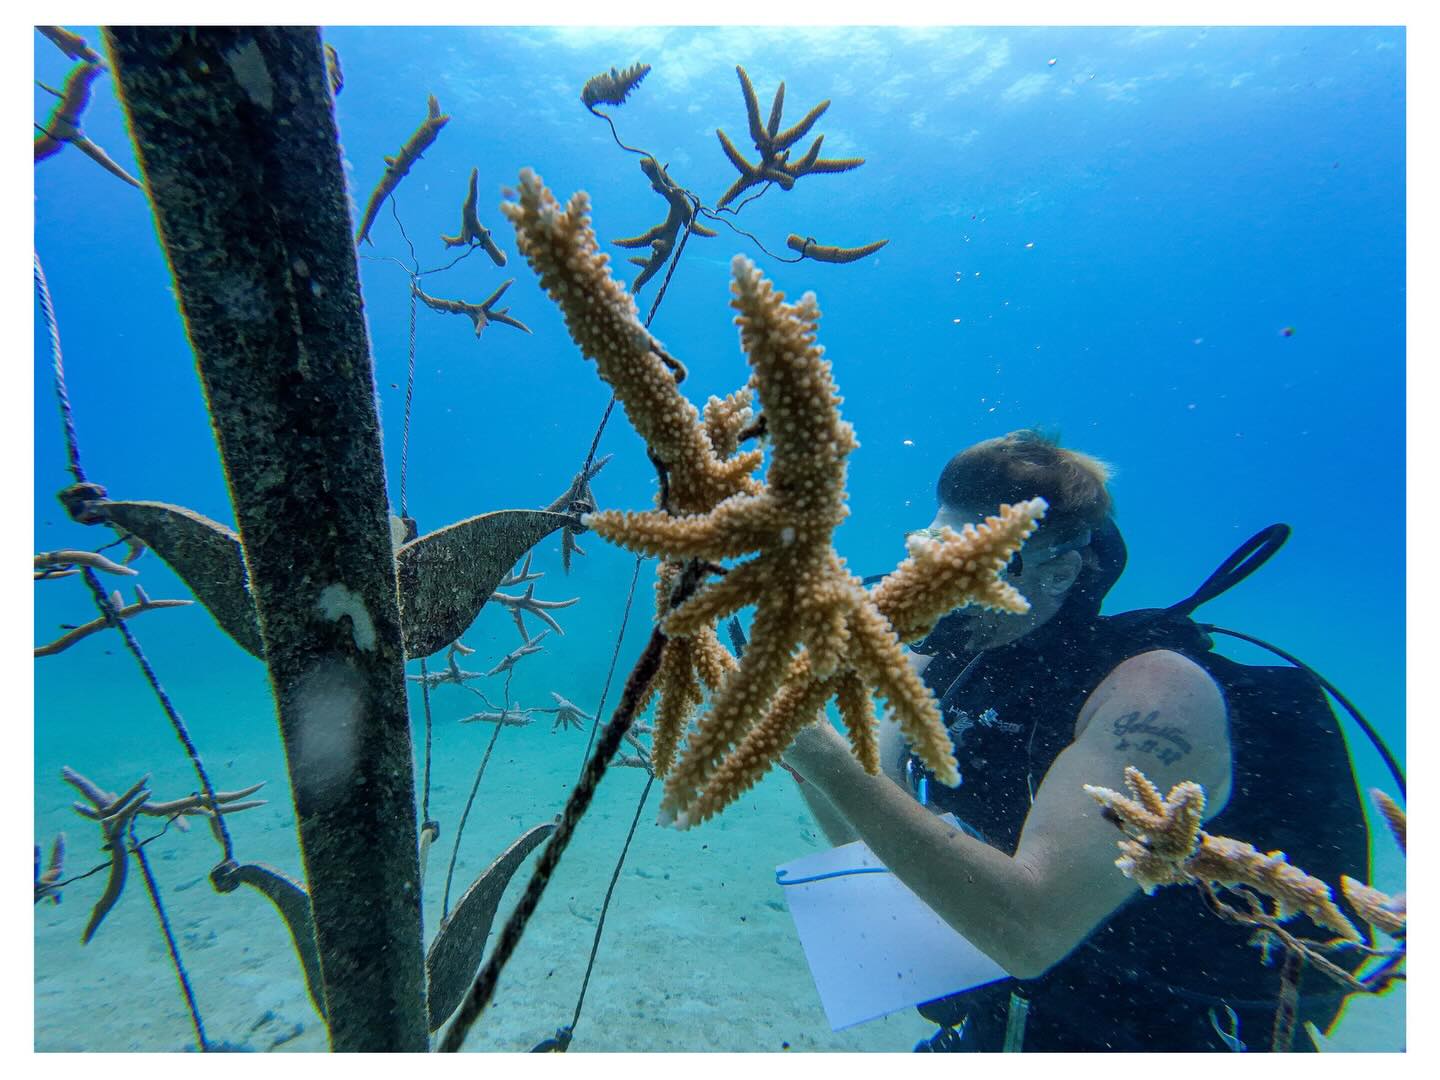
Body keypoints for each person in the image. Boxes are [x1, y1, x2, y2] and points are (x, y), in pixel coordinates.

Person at [781, 430, 1368, 1052]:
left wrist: (826, 757)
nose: (934, 587)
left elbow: (1031, 935)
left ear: (1060, 571)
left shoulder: (1156, 695)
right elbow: (876, 855)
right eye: (930, 555)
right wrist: (803, 754)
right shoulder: (945, 668)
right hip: (1002, 1024)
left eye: (973, 565)